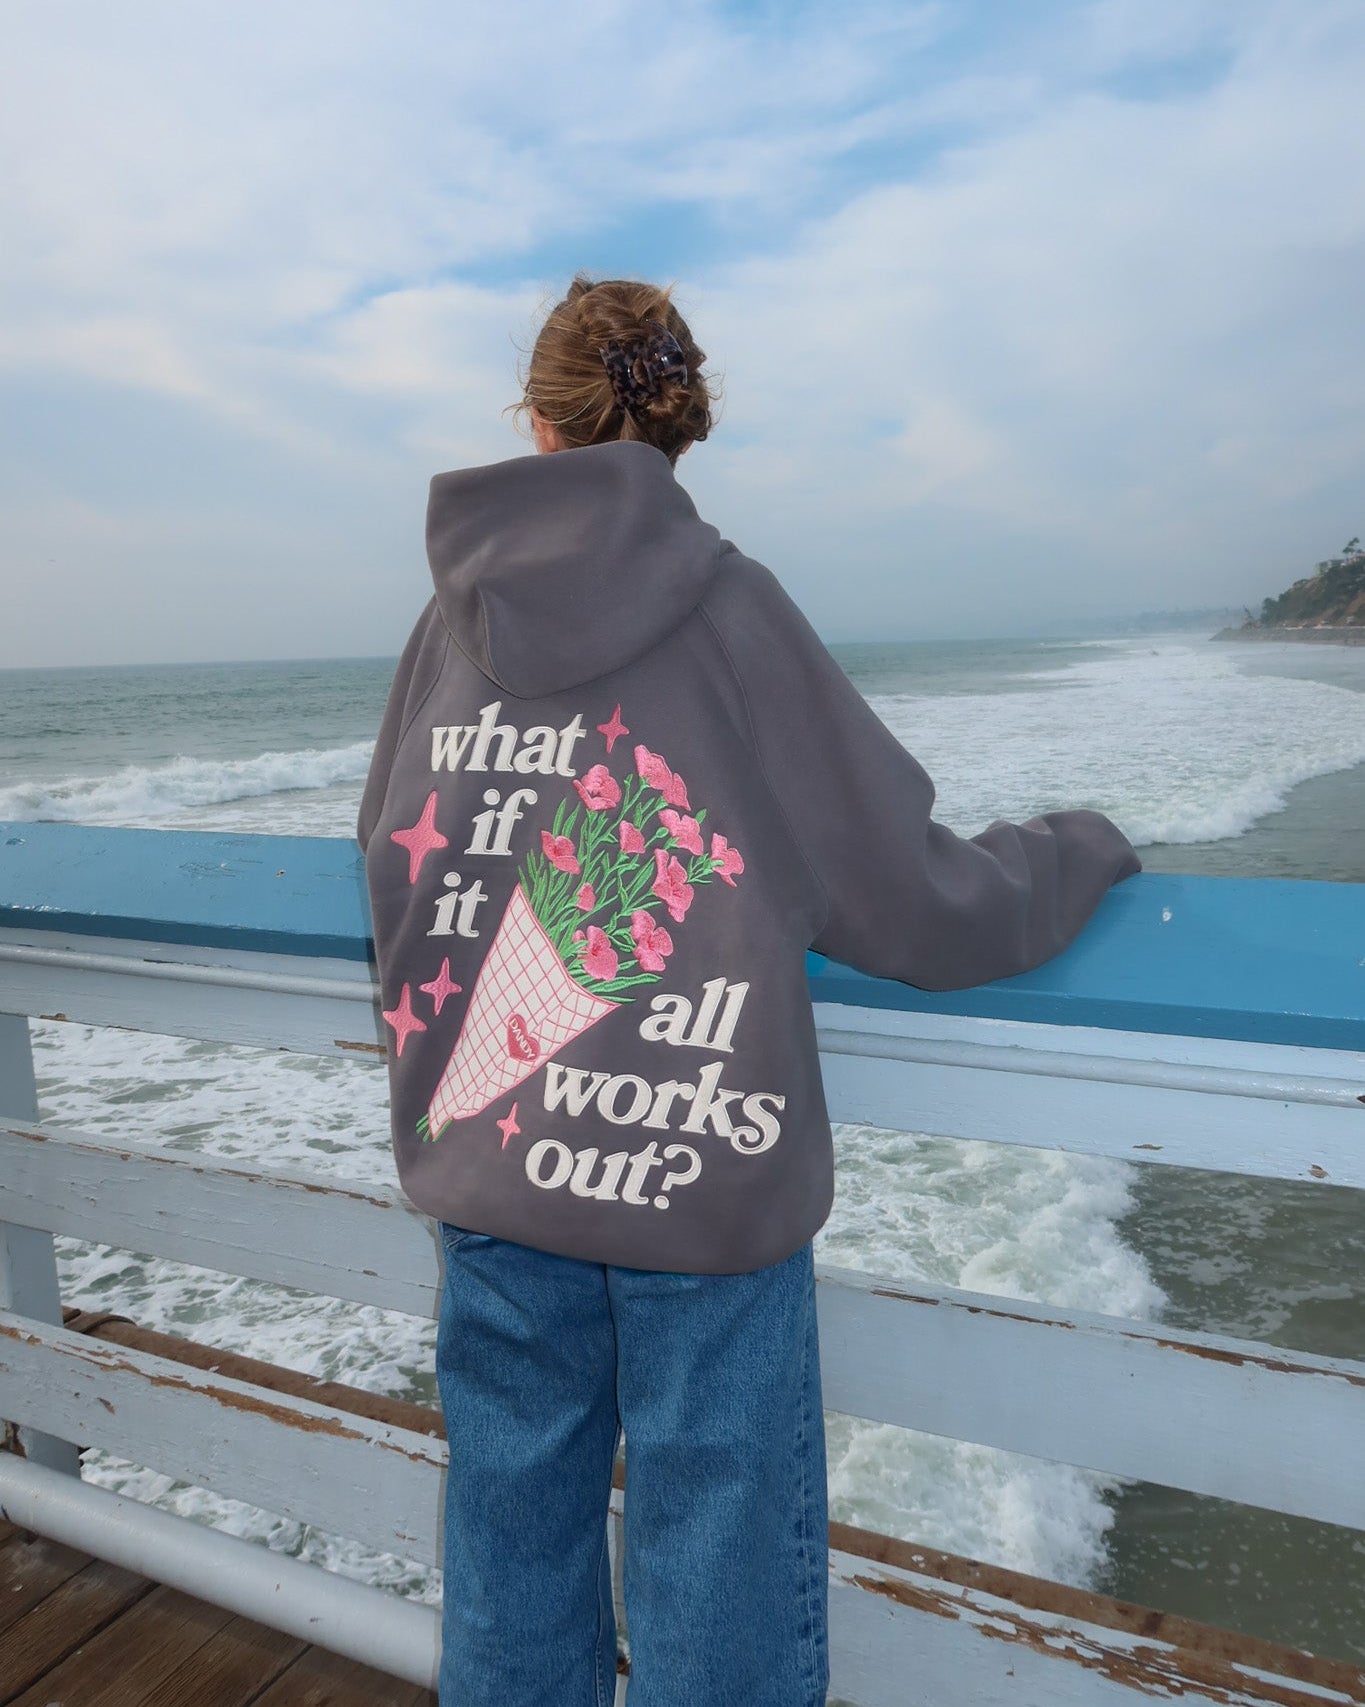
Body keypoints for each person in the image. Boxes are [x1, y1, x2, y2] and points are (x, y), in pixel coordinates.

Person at [357, 274, 1140, 1707]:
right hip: (693, 1181)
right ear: (680, 425)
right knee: (716, 1565)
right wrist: (1071, 852)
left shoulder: (442, 627)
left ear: (537, 421)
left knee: (510, 1542)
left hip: (492, 1167)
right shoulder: (727, 606)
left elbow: (395, 856)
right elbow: (906, 897)